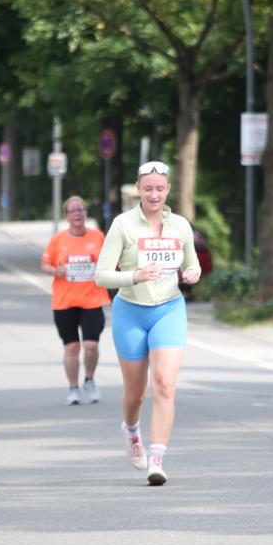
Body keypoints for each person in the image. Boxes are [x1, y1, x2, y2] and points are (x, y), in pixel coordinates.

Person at [95, 161, 201, 486]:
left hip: (169, 308)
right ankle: (131, 431)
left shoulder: (180, 225)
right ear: (138, 189)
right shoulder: (123, 225)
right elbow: (100, 275)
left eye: (159, 188)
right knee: (136, 393)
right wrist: (134, 275)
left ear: (168, 189)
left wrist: (193, 274)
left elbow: (192, 264)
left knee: (165, 384)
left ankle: (157, 458)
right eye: (148, 188)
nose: (154, 194)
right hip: (131, 309)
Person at [41, 196, 110, 405]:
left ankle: (89, 379)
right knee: (71, 348)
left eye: (80, 210)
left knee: (90, 346)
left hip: (92, 299)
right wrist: (56, 270)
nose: (77, 214)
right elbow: (44, 264)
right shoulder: (58, 240)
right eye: (72, 211)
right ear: (67, 216)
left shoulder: (98, 237)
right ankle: (73, 387)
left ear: (85, 213)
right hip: (65, 302)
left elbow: (111, 262)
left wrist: (103, 267)